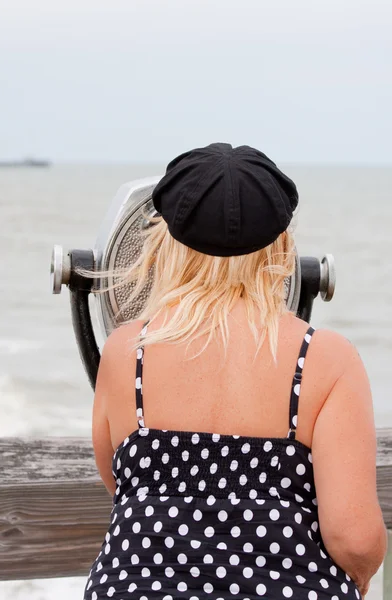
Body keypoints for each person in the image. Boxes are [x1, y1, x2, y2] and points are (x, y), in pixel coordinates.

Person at [84, 143, 386, 600]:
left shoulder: (126, 352)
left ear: (163, 242)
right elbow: (355, 537)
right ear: (282, 246)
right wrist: (358, 579)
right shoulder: (326, 359)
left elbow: (121, 482)